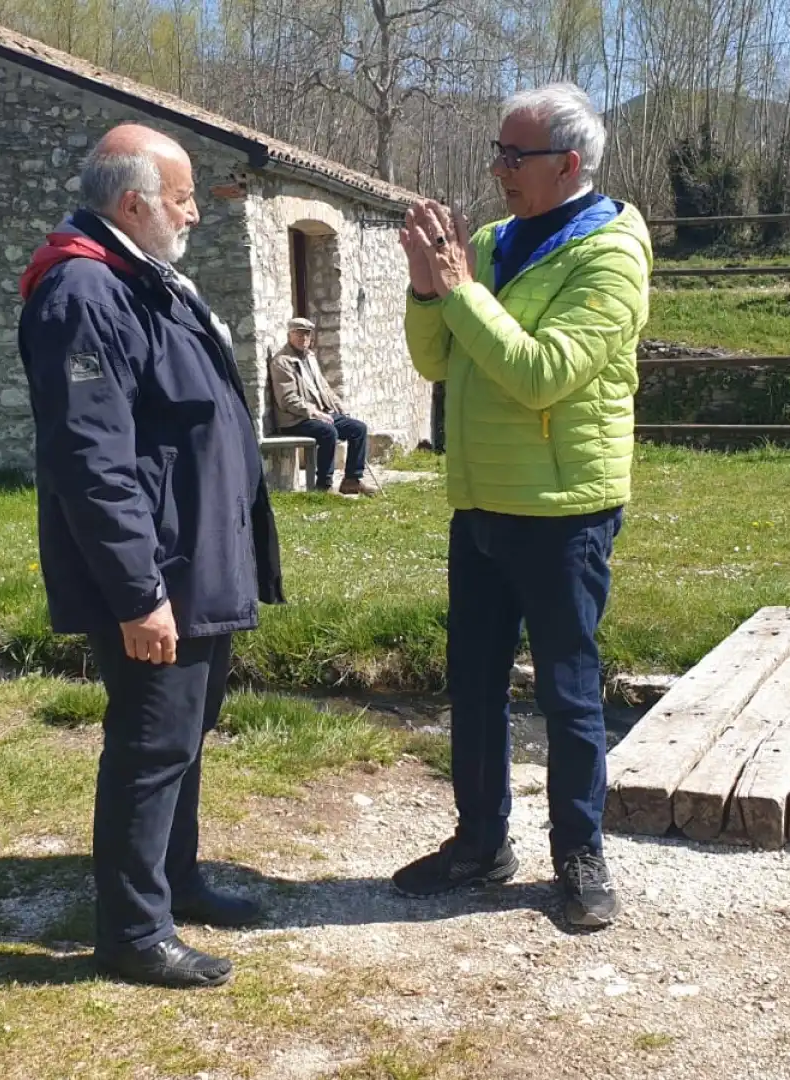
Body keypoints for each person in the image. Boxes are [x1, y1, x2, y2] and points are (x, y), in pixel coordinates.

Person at [17, 123, 285, 988]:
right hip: (158, 575)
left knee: (186, 735)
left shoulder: (142, 280)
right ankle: (133, 932)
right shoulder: (84, 292)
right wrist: (138, 596)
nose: (195, 213)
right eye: (182, 199)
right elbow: (92, 463)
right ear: (134, 204)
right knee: (149, 744)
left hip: (195, 562)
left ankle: (175, 882)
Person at [391, 83, 651, 929]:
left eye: (515, 154)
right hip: (480, 502)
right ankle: (481, 842)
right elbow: (437, 363)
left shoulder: (611, 250)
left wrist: (460, 288)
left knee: (569, 695)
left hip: (562, 508)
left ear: (568, 164)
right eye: (497, 151)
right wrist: (426, 287)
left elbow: (545, 372)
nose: (498, 168)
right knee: (472, 684)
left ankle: (579, 856)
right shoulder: (495, 243)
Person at [268, 318, 377, 495]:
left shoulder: (310, 357)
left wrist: (338, 406)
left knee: (358, 428)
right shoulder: (282, 362)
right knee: (328, 432)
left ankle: (352, 480)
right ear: (290, 335)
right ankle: (324, 486)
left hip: (320, 414)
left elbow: (323, 388)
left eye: (307, 333)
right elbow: (287, 400)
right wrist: (314, 413)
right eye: (299, 333)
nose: (303, 337)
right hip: (296, 419)